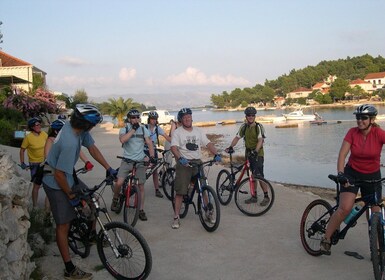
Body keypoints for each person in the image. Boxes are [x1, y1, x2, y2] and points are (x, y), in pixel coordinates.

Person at [42, 104, 117, 279]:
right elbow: (59, 176)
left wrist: (108, 167)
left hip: (67, 175)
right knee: (64, 224)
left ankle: (90, 235)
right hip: (54, 180)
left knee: (92, 198)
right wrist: (70, 196)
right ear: (86, 124)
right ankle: (69, 270)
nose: (93, 128)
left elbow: (92, 148)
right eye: (93, 125)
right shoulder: (69, 141)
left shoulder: (77, 128)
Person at [320, 104, 385, 255]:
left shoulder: (379, 134)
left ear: (372, 119)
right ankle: (326, 238)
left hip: (373, 176)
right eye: (358, 117)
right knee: (345, 208)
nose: (360, 121)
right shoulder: (352, 133)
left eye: (364, 118)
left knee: (375, 212)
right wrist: (341, 173)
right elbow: (342, 154)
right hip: (352, 174)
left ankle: (377, 249)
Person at [170, 107, 221, 229]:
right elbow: (174, 148)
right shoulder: (178, 132)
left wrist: (216, 154)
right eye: (184, 117)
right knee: (180, 191)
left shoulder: (198, 131)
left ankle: (208, 212)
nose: (187, 118)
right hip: (184, 163)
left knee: (203, 187)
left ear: (192, 118)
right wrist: (180, 158)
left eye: (189, 116)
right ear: (181, 120)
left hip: (197, 162)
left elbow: (208, 144)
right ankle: (176, 217)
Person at [111, 109, 155, 221]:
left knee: (141, 186)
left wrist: (151, 156)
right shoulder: (124, 129)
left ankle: (140, 210)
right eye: (133, 117)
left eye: (137, 117)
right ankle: (116, 197)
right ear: (129, 119)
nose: (136, 119)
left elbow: (149, 143)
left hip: (140, 161)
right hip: (127, 160)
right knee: (119, 182)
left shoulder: (144, 129)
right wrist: (133, 130)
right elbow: (122, 140)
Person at [225, 106, 270, 206]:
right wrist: (230, 146)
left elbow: (260, 140)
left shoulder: (259, 127)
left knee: (259, 176)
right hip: (248, 153)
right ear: (246, 116)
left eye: (252, 115)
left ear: (255, 116)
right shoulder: (244, 127)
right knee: (251, 176)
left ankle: (266, 196)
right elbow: (237, 138)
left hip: (258, 154)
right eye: (248, 115)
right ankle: (254, 196)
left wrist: (256, 151)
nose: (250, 117)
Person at [19, 116, 48, 209]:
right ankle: (35, 206)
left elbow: (50, 144)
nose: (39, 126)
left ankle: (48, 206)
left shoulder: (44, 134)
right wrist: (22, 163)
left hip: (45, 162)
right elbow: (22, 150)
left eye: (40, 124)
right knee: (36, 185)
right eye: (37, 125)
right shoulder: (28, 137)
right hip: (35, 164)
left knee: (48, 184)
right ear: (32, 127)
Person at [144, 111, 172, 198]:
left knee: (155, 170)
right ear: (149, 119)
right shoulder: (144, 128)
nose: (154, 121)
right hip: (144, 150)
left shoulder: (158, 128)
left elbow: (167, 137)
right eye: (152, 119)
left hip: (154, 150)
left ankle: (157, 190)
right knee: (143, 169)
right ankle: (137, 186)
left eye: (155, 119)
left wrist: (176, 142)